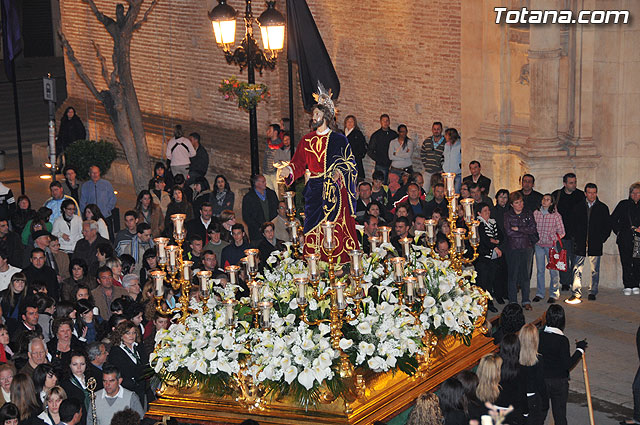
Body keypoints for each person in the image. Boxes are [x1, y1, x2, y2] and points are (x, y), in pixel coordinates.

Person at [539, 304, 587, 425]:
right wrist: (580, 350)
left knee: (540, 414)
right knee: (559, 415)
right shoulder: (562, 340)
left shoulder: (539, 336)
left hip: (541, 380)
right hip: (559, 382)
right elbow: (567, 364)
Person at [566, 183, 611, 303]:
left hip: (595, 243)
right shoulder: (578, 207)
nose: (592, 195)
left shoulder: (602, 207)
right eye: (589, 192)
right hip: (580, 243)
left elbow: (607, 226)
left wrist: (601, 238)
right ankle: (576, 292)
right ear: (585, 193)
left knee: (594, 269)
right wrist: (575, 238)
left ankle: (593, 291)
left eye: (594, 192)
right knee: (576, 269)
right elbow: (572, 224)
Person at [551, 173, 586, 292]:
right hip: (561, 235)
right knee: (562, 260)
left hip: (577, 234)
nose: (574, 185)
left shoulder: (581, 195)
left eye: (575, 182)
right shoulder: (557, 195)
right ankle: (565, 282)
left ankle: (574, 282)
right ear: (564, 183)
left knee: (575, 260)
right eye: (571, 182)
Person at [503, 192, 538, 309]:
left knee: (525, 275)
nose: (520, 205)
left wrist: (518, 229)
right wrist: (524, 231)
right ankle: (513, 301)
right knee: (512, 276)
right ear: (512, 204)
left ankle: (526, 300)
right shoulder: (507, 215)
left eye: (521, 202)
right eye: (517, 203)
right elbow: (509, 232)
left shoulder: (528, 213)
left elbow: (533, 229)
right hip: (513, 248)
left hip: (527, 247)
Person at [107, 321, 148, 407]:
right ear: (121, 335)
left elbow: (145, 363)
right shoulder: (116, 351)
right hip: (126, 389)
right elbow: (120, 371)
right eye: (128, 333)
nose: (132, 336)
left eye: (134, 333)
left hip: (140, 387)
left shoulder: (139, 346)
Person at [532, 194, 565, 304]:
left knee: (553, 271)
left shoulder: (556, 215)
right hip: (539, 245)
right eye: (543, 199)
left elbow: (562, 232)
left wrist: (553, 238)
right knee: (540, 270)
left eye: (547, 200)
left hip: (551, 246)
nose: (545, 201)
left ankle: (554, 293)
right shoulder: (536, 213)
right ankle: (540, 293)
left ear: (551, 203)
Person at [611, 181, 640, 296]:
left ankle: (636, 284)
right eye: (633, 193)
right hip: (625, 239)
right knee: (626, 262)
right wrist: (619, 232)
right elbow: (613, 219)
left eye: (638, 193)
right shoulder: (623, 204)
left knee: (637, 262)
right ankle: (627, 285)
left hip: (638, 239)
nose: (635, 195)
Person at [475, 203, 501, 313]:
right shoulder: (478, 224)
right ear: (479, 213)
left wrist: (495, 241)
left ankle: (489, 303)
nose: (488, 212)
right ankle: (482, 304)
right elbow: (484, 240)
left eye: (488, 210)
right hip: (483, 257)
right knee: (483, 283)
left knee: (490, 281)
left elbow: (500, 235)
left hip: (492, 257)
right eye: (485, 211)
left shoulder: (492, 222)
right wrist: (494, 245)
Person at [496, 333, 527, 425]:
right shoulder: (521, 370)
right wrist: (526, 412)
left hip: (496, 410)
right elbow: (522, 394)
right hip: (514, 412)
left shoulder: (495, 367)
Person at [518, 323, 546, 425]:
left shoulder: (516, 358)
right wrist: (545, 402)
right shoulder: (538, 359)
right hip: (533, 399)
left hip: (518, 398)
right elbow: (540, 383)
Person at [79, 166, 116, 238]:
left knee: (108, 235)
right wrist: (86, 213)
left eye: (96, 172)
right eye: (92, 173)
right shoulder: (86, 186)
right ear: (89, 174)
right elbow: (83, 201)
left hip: (105, 215)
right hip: (92, 218)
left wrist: (107, 210)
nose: (95, 174)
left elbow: (112, 198)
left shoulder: (106, 184)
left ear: (99, 173)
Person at [242, 174, 279, 243]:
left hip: (273, 231)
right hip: (257, 233)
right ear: (256, 183)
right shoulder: (248, 198)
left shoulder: (271, 194)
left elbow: (277, 209)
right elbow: (246, 216)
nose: (265, 183)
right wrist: (260, 227)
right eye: (263, 182)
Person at [59, 352, 89, 425]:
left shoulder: (91, 379)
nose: (79, 367)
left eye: (82, 364)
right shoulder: (65, 384)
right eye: (75, 364)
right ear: (69, 365)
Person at [367, 114, 397, 184]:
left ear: (389, 122)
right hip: (381, 165)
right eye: (383, 121)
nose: (385, 123)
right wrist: (379, 159)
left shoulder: (394, 134)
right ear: (380, 122)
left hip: (393, 165)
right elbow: (370, 151)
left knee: (392, 185)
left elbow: (398, 147)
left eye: (387, 121)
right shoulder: (376, 135)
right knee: (380, 184)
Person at [420, 122, 445, 187]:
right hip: (428, 172)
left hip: (439, 173)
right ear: (432, 130)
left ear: (441, 130)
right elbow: (423, 153)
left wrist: (442, 168)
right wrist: (426, 164)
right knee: (424, 189)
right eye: (434, 129)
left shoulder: (445, 142)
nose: (436, 131)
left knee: (439, 191)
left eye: (438, 129)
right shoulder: (427, 141)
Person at [263, 123, 282, 192]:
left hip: (275, 173)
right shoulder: (268, 142)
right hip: (266, 171)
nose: (267, 132)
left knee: (278, 192)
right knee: (270, 192)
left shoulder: (279, 144)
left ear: (275, 132)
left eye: (270, 130)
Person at [442, 128, 462, 193]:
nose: (445, 136)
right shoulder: (446, 145)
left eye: (446, 135)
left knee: (456, 193)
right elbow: (443, 157)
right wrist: (443, 166)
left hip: (457, 174)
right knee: (447, 192)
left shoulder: (460, 146)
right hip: (447, 174)